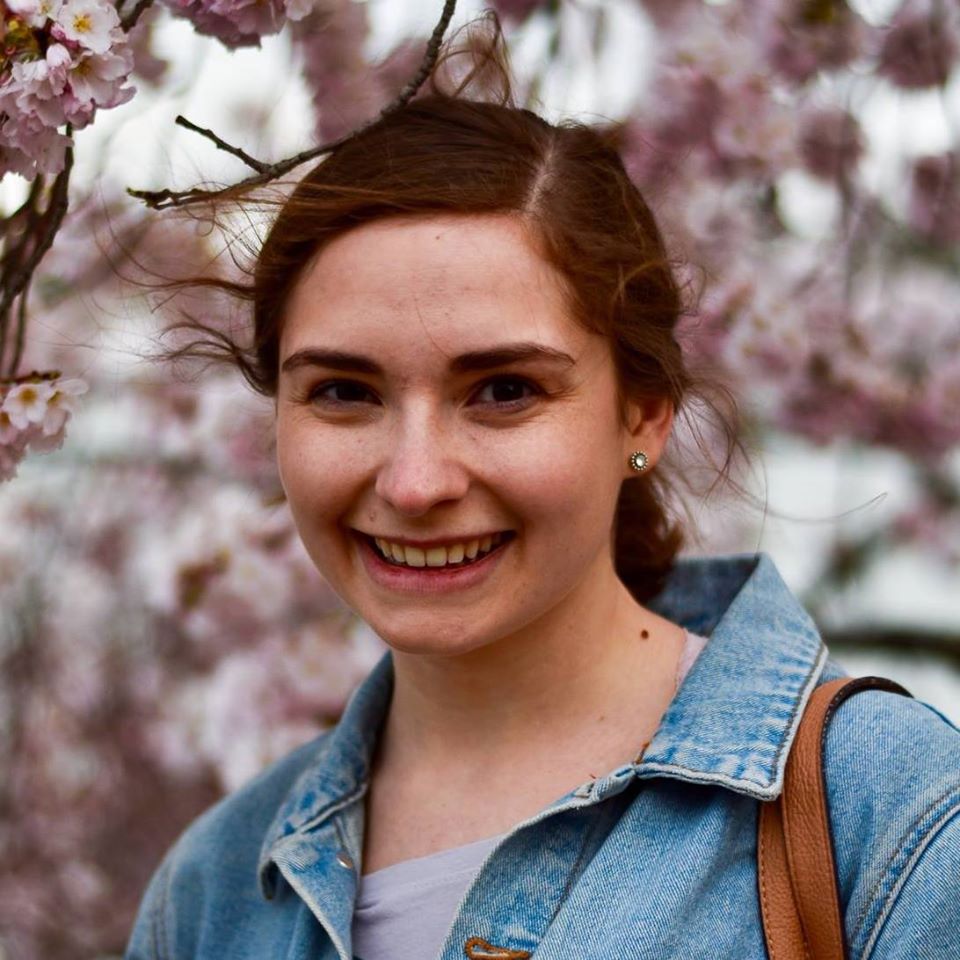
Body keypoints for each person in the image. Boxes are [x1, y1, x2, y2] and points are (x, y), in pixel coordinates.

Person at [125, 29, 960, 960]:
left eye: (504, 390)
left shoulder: (892, 821)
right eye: (344, 392)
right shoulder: (213, 892)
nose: (415, 482)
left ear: (643, 414)